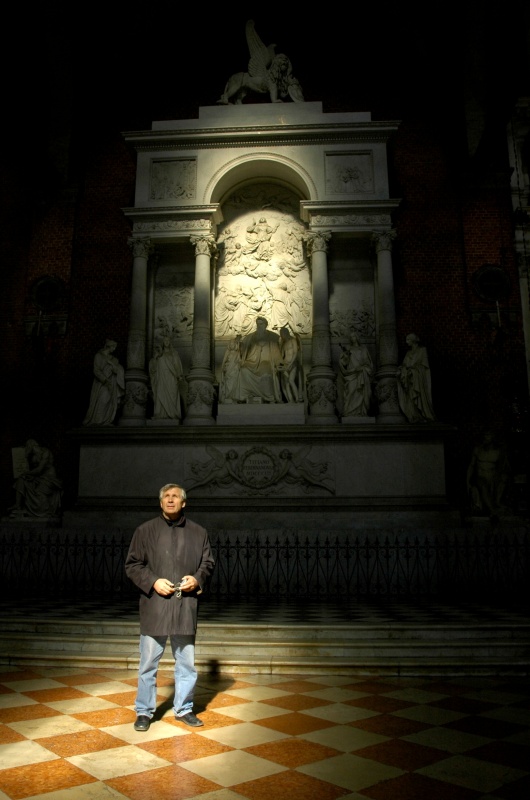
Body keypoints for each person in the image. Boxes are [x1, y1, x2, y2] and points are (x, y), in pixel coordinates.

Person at [124, 483, 215, 731]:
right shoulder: (145, 531)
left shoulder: (198, 532)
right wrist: (153, 581)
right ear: (161, 502)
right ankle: (144, 711)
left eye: (175, 496)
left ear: (184, 503)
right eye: (166, 496)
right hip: (155, 606)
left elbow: (207, 563)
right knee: (148, 664)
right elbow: (132, 565)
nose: (171, 500)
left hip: (184, 607)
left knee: (186, 664)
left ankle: (184, 708)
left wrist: (197, 578)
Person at [9, 439, 63, 519]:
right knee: (21, 480)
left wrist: (27, 473)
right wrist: (28, 475)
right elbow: (33, 471)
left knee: (39, 492)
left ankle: (43, 510)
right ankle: (18, 505)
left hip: (49, 478)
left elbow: (39, 469)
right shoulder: (33, 456)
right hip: (39, 477)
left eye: (27, 447)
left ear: (30, 446)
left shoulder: (45, 452)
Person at [467, 430, 510, 521]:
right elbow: (471, 466)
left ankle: (497, 502)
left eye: (488, 435)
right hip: (480, 477)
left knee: (503, 479)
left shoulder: (498, 452)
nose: (486, 438)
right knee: (482, 484)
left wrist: (500, 476)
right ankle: (492, 510)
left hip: (492, 477)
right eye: (485, 435)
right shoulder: (477, 450)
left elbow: (503, 467)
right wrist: (467, 481)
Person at [238, 316, 282, 402]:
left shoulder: (272, 337)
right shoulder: (250, 337)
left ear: (265, 325)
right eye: (257, 324)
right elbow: (243, 349)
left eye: (261, 324)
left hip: (266, 361)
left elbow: (276, 353)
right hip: (252, 361)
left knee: (266, 374)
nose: (259, 326)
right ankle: (246, 395)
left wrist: (279, 363)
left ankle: (268, 396)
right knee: (243, 370)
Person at [82, 339, 125, 425]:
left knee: (109, 401)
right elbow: (96, 370)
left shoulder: (114, 360)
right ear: (109, 346)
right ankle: (97, 421)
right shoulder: (98, 356)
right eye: (114, 347)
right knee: (102, 400)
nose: (114, 349)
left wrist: (114, 367)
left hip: (112, 382)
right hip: (102, 383)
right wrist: (105, 380)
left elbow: (118, 370)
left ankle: (106, 420)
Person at [396, 333, 436, 423]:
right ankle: (414, 415)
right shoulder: (408, 353)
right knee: (411, 399)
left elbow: (425, 367)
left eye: (408, 340)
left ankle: (422, 414)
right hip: (409, 380)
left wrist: (413, 370)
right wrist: (402, 369)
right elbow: (404, 364)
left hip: (418, 379)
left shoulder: (422, 350)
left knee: (418, 398)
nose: (407, 342)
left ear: (413, 340)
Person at [149, 336, 184, 420]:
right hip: (161, 377)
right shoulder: (159, 354)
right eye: (165, 340)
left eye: (168, 340)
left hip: (171, 377)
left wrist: (179, 376)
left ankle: (172, 414)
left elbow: (177, 365)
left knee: (172, 394)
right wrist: (155, 358)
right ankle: (160, 414)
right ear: (163, 342)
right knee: (160, 393)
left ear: (170, 342)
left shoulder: (174, 353)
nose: (167, 342)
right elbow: (153, 367)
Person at [339, 330, 373, 417]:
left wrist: (362, 368)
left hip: (362, 372)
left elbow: (367, 363)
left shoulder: (363, 349)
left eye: (354, 336)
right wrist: (343, 358)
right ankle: (347, 411)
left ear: (357, 337)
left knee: (361, 392)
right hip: (351, 373)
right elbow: (344, 362)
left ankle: (361, 412)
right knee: (351, 391)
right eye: (351, 337)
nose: (352, 338)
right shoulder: (348, 348)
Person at [277, 326, 303, 402]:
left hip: (293, 363)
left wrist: (291, 363)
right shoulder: (283, 344)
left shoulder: (293, 340)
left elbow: (295, 352)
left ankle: (297, 398)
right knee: (286, 383)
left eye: (282, 334)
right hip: (285, 364)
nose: (281, 336)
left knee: (291, 380)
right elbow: (281, 356)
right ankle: (290, 400)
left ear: (286, 333)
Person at [219, 334, 242, 403]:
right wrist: (223, 368)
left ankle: (233, 397)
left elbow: (240, 361)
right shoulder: (228, 353)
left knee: (235, 383)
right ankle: (228, 396)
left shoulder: (237, 353)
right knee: (228, 382)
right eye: (231, 343)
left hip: (235, 370)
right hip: (228, 370)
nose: (232, 345)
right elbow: (224, 361)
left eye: (233, 343)